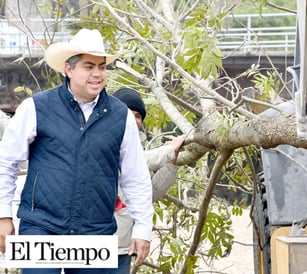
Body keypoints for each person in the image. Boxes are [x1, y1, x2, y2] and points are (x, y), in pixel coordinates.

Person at [0, 29, 154, 274]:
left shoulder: (121, 116)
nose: (97, 74)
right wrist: (3, 216)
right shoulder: (36, 107)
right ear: (69, 69)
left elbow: (136, 177)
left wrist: (144, 228)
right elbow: (5, 163)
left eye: (102, 67)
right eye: (89, 66)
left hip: (96, 230)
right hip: (41, 225)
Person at [112, 88, 186, 273]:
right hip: (94, 240)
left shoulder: (137, 145)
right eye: (128, 112)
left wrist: (172, 162)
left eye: (138, 116)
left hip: (122, 244)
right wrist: (167, 151)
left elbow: (150, 192)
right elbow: (130, 162)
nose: (133, 119)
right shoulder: (103, 139)